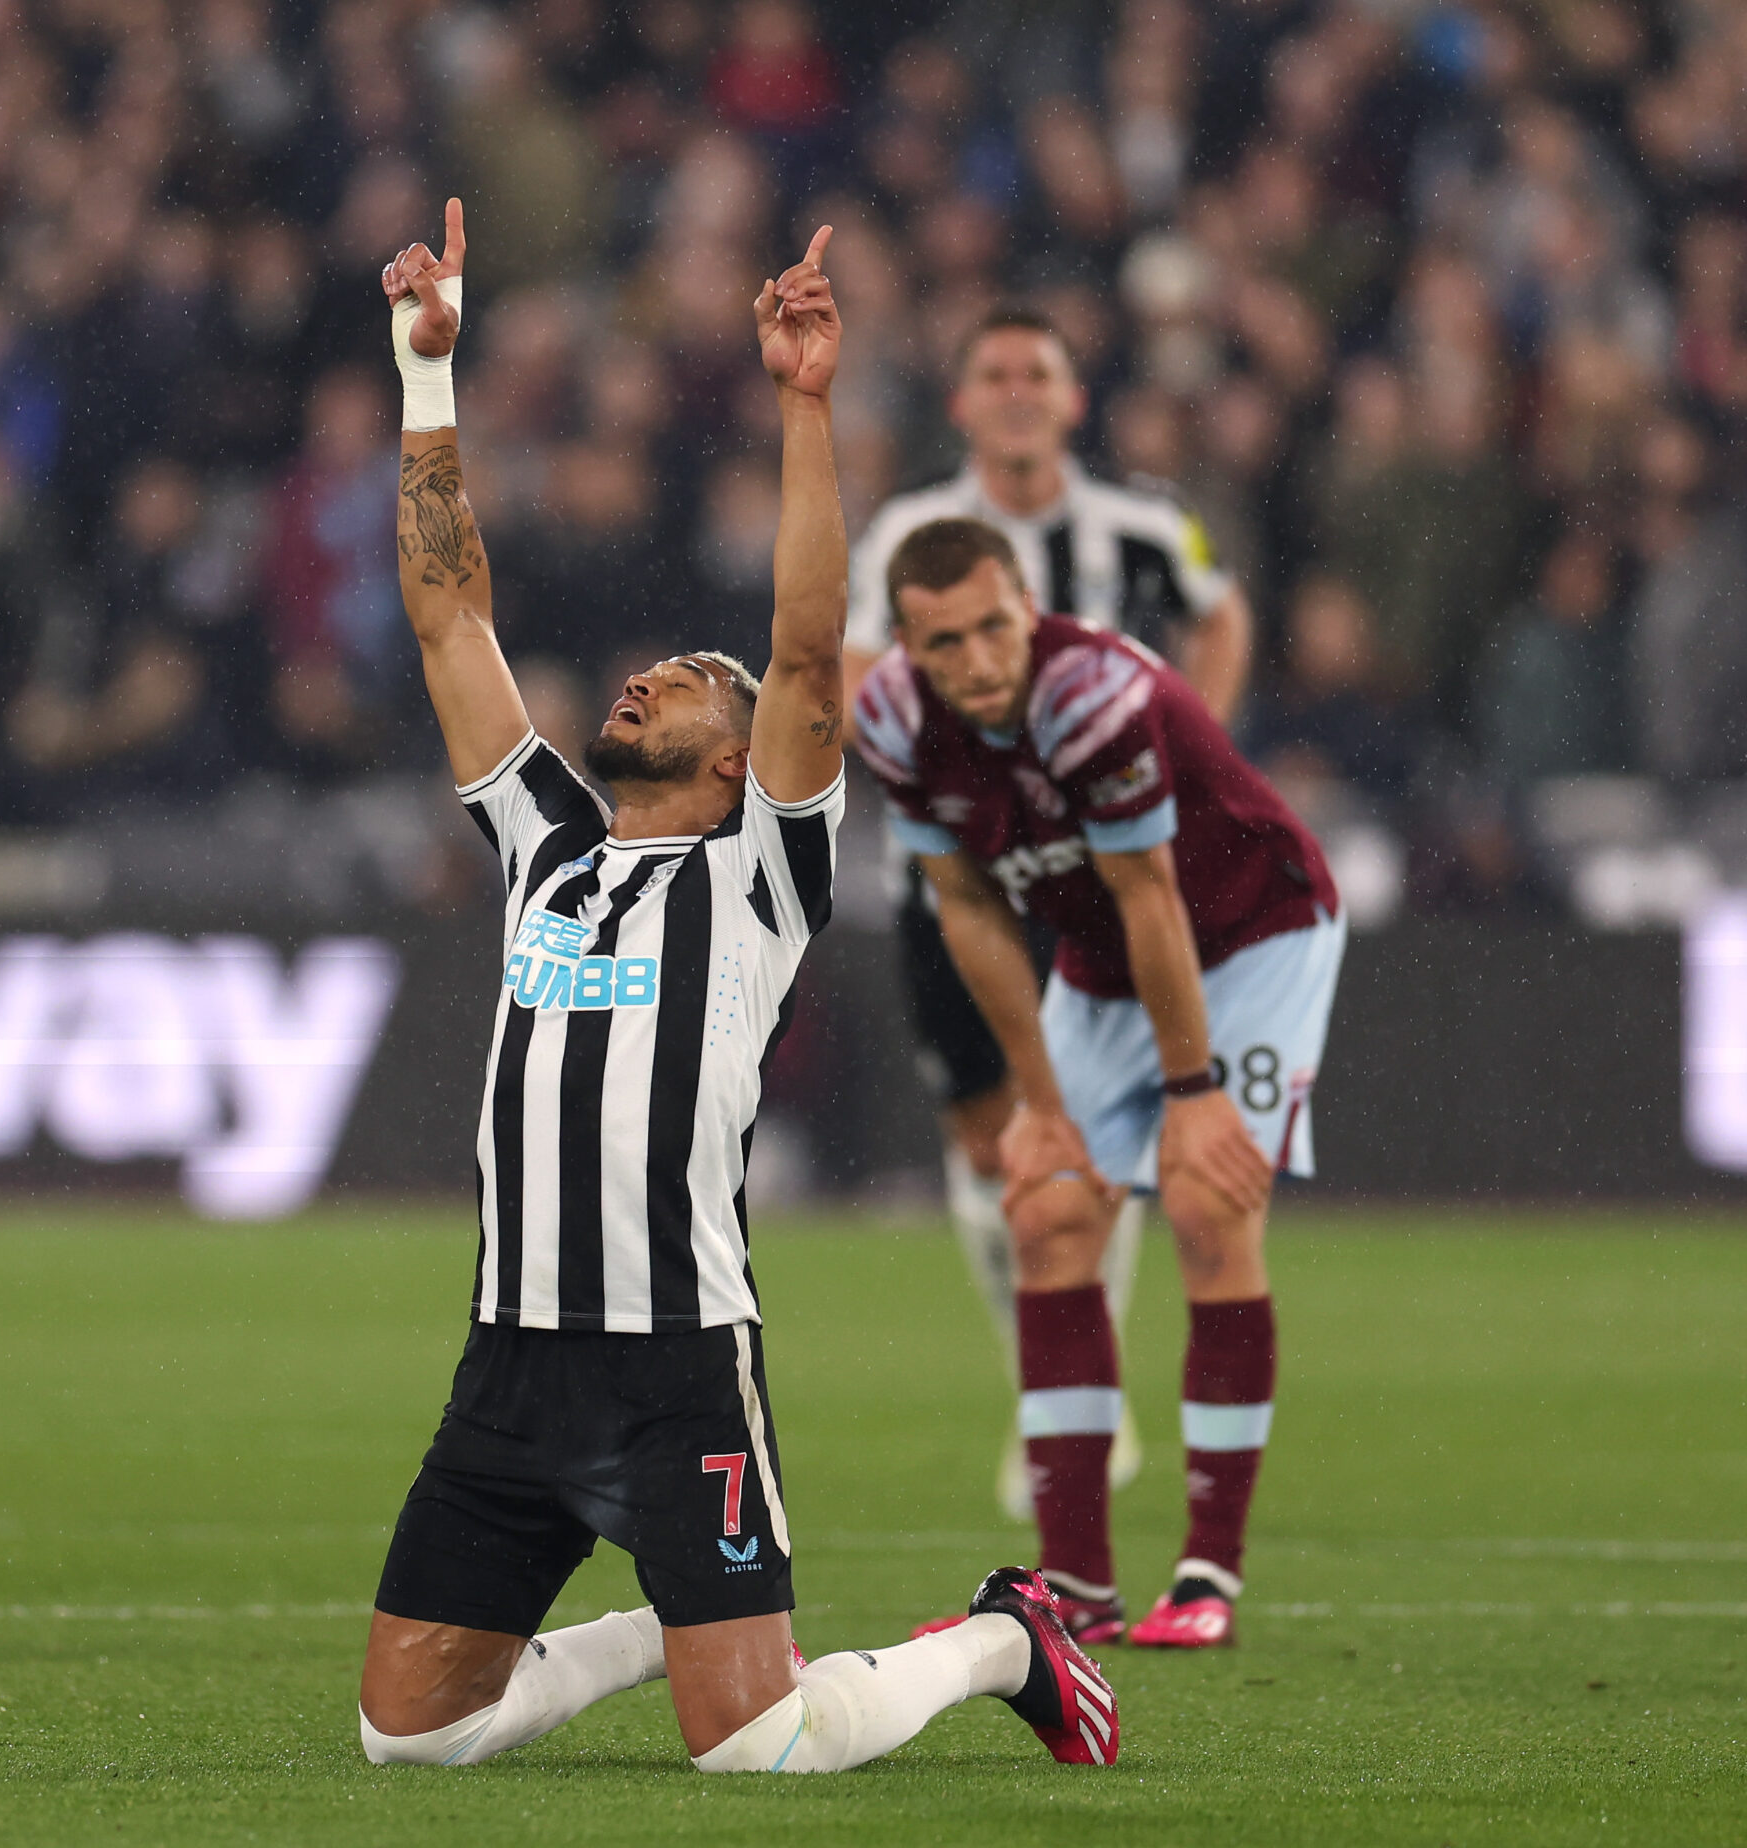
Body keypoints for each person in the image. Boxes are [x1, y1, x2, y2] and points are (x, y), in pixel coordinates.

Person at [356, 200, 1120, 1774]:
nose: (646, 677)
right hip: (512, 1353)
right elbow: (448, 614)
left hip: (674, 1358)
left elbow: (809, 646)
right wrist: (428, 374)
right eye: (654, 671)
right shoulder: (548, 845)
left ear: (735, 758)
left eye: (693, 682)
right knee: (410, 1737)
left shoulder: (762, 873)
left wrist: (805, 407)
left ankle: (1000, 1639)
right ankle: (662, 1627)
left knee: (756, 1748)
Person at [855, 517, 1344, 1650]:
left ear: (1029, 606)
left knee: (1207, 1205)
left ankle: (1207, 1576)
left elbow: (1149, 895)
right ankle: (1075, 1589)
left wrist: (1194, 1091)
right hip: (1105, 956)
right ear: (907, 649)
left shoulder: (1091, 697)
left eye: (994, 626)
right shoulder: (889, 720)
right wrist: (1042, 1105)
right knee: (1047, 1214)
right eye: (944, 642)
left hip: (1254, 929)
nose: (978, 658)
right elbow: (969, 906)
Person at [842, 307, 1256, 1521]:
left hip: (1094, 870)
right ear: (962, 404)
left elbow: (1220, 611)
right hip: (953, 875)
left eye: (1038, 371)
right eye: (994, 373)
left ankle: (1077, 1383)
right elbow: (858, 666)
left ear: (1074, 401)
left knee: (1088, 1124)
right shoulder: (905, 533)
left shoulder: (1143, 523)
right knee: (991, 1141)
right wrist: (927, 759)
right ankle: (1051, 1371)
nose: (1017, 389)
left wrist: (1190, 749)